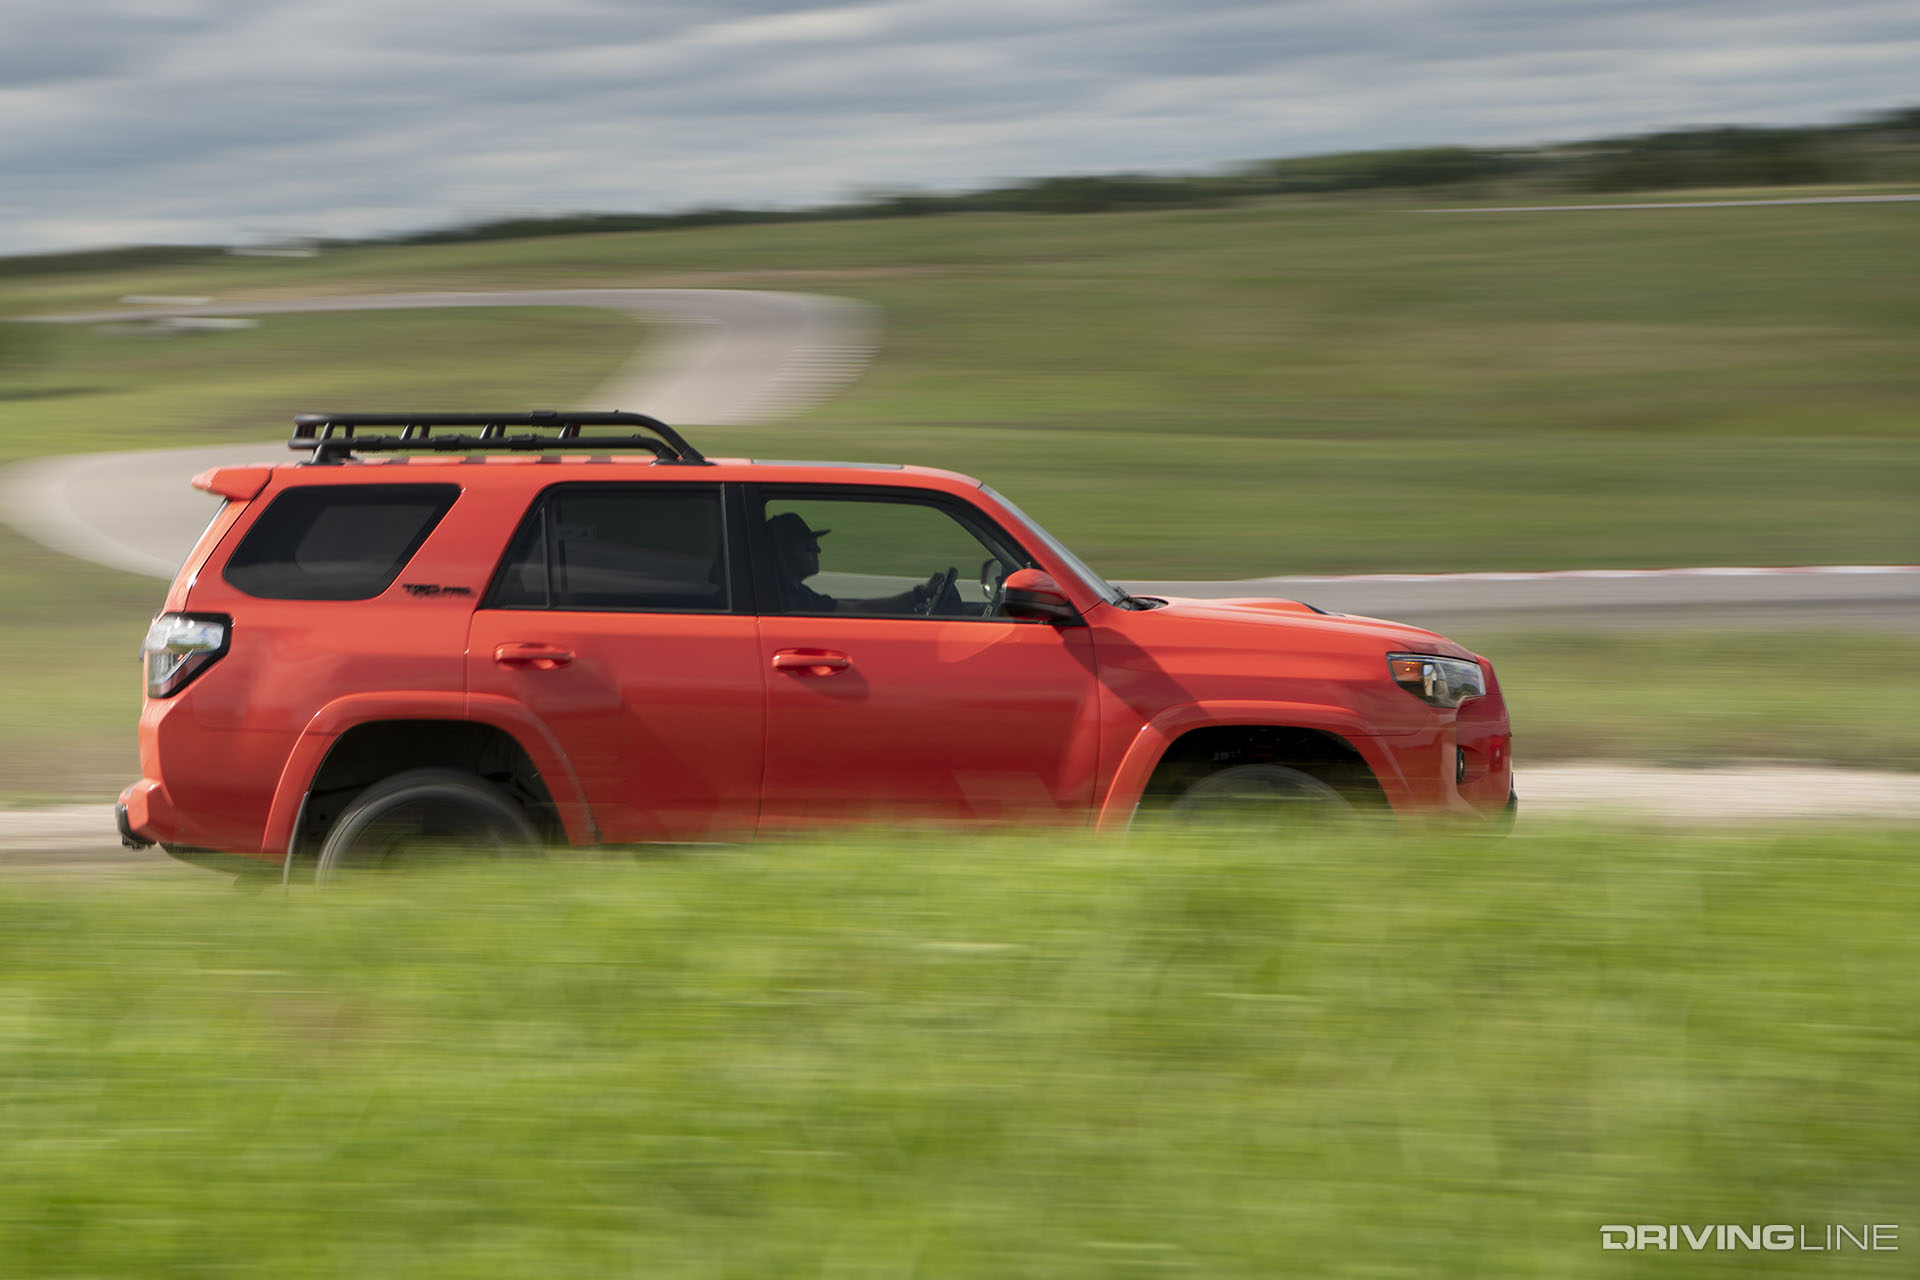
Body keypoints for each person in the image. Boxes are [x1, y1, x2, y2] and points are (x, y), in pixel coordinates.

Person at [765, 511, 948, 614]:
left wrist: (919, 594)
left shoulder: (800, 595)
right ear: (781, 555)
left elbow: (855, 609)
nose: (817, 550)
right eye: (809, 545)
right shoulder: (780, 598)